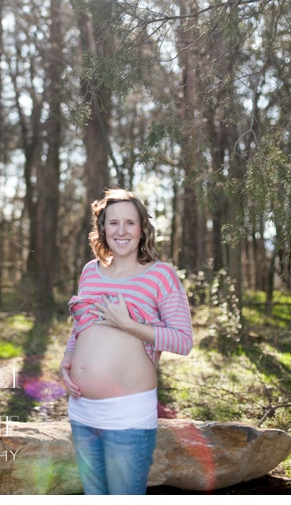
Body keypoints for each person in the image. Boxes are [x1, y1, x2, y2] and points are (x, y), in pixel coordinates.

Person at [59, 188, 193, 495]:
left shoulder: (161, 275)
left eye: (130, 223)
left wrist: (128, 324)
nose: (121, 231)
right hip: (81, 411)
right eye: (113, 223)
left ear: (142, 228)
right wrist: (66, 359)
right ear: (102, 228)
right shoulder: (90, 272)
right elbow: (80, 325)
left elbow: (183, 341)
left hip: (128, 414)